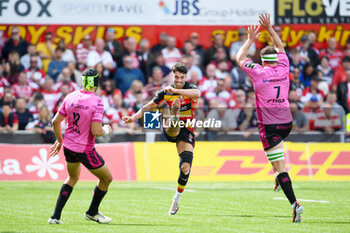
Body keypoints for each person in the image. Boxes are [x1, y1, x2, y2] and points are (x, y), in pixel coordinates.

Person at [235, 13, 304, 222]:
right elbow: (281, 47)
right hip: (287, 123)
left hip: (270, 126)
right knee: (277, 161)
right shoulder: (284, 67)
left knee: (280, 167)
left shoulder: (258, 71)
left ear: (263, 61)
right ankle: (277, 175)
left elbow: (239, 58)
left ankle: (295, 203)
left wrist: (250, 39)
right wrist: (270, 29)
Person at [122, 62, 200, 215]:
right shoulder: (166, 92)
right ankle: (175, 114)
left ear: (186, 77)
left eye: (182, 77)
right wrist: (133, 117)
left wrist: (176, 90)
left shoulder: (190, 88)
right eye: (176, 77)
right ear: (172, 75)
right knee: (173, 122)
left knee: (185, 168)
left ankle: (176, 199)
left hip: (188, 130)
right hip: (171, 126)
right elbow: (149, 106)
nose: (178, 79)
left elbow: (197, 94)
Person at [48, 68, 113, 224]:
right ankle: (92, 212)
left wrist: (59, 140)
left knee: (72, 178)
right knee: (106, 179)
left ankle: (55, 217)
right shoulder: (97, 101)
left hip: (69, 146)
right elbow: (96, 131)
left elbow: (55, 121)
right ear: (96, 82)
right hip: (85, 149)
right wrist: (107, 129)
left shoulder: (70, 96)